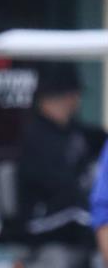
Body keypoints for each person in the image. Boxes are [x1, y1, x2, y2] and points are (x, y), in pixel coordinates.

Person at [16, 63, 106, 247]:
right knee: (81, 209)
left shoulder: (76, 132)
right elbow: (60, 187)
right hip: (41, 219)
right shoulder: (36, 137)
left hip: (72, 223)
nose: (76, 100)